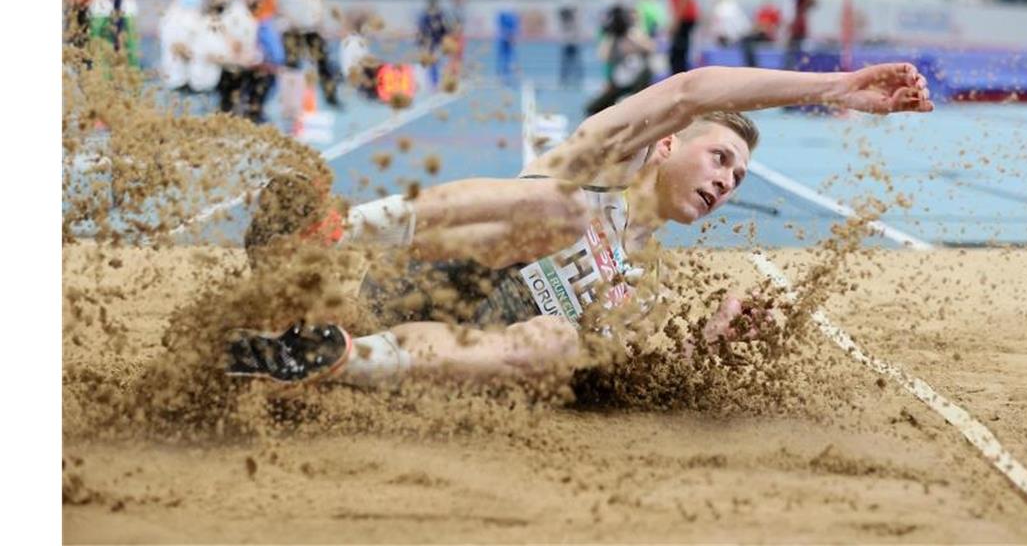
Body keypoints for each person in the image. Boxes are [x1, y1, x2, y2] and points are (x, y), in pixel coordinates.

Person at [227, 60, 934, 386]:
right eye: (719, 158)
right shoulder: (603, 162)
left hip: (441, 350)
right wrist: (832, 88)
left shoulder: (646, 284)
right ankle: (332, 230)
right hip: (418, 271)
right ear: (666, 145)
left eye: (738, 178)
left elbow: (627, 374)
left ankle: (332, 356)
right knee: (558, 203)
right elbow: (692, 90)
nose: (726, 181)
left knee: (565, 341)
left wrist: (710, 350)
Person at [278, 0, 340, 107]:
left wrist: (320, 22)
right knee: (292, 66)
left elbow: (318, 2)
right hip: (291, 30)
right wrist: (292, 21)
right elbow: (279, 6)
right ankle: (290, 103)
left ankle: (331, 96)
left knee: (323, 62)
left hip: (311, 29)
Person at [585, 2, 657, 116]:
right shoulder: (612, 38)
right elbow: (603, 57)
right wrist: (611, 36)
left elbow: (650, 47)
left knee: (636, 106)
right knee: (592, 108)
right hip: (619, 81)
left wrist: (632, 40)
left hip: (638, 79)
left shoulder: (633, 34)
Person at [782, 0, 816, 72]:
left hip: (797, 24)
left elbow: (813, 0)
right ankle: (794, 69)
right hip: (795, 23)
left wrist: (801, 10)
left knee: (794, 48)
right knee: (794, 48)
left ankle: (795, 70)